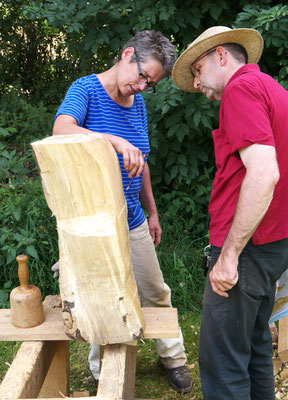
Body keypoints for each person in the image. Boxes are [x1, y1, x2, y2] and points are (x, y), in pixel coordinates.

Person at [172, 26, 288, 399]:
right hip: (273, 244)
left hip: (248, 249)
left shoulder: (241, 90)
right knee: (254, 350)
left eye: (197, 70)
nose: (196, 83)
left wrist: (230, 256)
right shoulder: (277, 92)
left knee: (222, 363)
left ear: (221, 56)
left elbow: (265, 173)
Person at [52, 30, 192, 394]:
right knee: (101, 297)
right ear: (128, 54)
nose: (144, 86)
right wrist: (113, 140)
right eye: (143, 76)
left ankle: (173, 358)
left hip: (132, 219)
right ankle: (101, 373)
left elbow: (141, 161)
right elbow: (61, 129)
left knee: (156, 291)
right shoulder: (87, 90)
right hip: (94, 224)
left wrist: (153, 212)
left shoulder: (139, 105)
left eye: (152, 83)